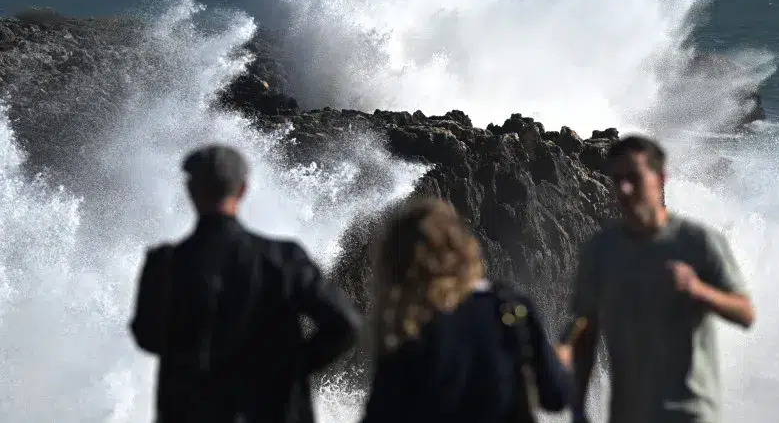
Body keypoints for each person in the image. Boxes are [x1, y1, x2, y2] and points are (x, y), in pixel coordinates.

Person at [128, 144, 362, 423]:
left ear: (191, 193)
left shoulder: (163, 264)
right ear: (242, 190)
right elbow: (345, 324)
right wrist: (289, 369)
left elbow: (147, 336)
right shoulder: (283, 259)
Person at [563, 135, 755, 423]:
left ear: (661, 178)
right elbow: (586, 333)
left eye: (634, 178)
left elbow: (745, 313)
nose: (625, 189)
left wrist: (698, 290)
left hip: (690, 413)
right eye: (617, 180)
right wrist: (577, 409)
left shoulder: (698, 242)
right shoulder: (600, 250)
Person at [360, 197, 573, 423]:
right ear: (463, 248)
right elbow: (555, 397)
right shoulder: (510, 309)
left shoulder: (410, 326)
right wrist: (561, 362)